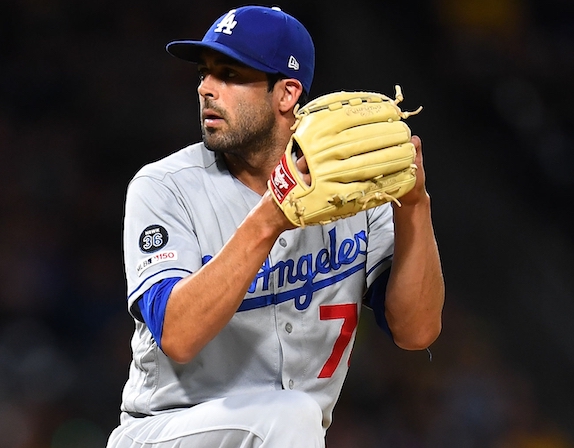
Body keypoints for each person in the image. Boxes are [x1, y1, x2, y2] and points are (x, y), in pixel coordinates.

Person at [106, 5, 445, 448]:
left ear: (286, 94)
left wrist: (414, 204)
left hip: (287, 437)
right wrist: (272, 214)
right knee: (293, 414)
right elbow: (178, 336)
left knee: (294, 417)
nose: (206, 88)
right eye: (205, 73)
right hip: (167, 432)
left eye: (228, 74)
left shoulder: (351, 186)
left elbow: (417, 332)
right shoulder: (164, 187)